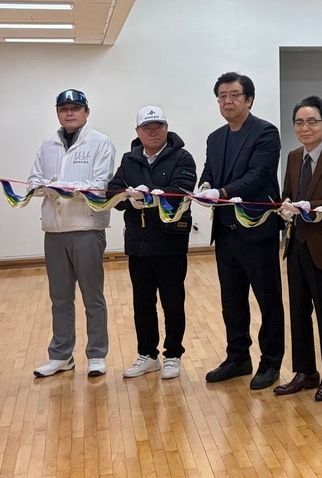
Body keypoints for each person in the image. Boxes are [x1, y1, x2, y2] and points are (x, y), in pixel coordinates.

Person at [196, 71, 284, 390]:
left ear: (249, 99)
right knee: (231, 300)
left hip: (257, 229)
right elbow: (209, 173)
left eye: (234, 95)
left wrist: (220, 193)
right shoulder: (215, 137)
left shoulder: (265, 133)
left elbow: (258, 176)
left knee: (267, 299)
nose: (227, 101)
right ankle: (238, 357)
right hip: (226, 231)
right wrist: (204, 186)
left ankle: (271, 361)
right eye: (222, 95)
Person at [27, 88, 117, 378]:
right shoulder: (47, 144)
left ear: (86, 112)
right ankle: (61, 355)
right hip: (54, 230)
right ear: (57, 112)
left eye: (75, 108)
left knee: (93, 296)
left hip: (87, 228)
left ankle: (96, 354)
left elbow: (100, 184)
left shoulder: (101, 143)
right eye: (64, 108)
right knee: (60, 297)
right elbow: (33, 180)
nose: (69, 113)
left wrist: (61, 188)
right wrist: (49, 186)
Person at [108, 105, 197, 381]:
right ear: (138, 132)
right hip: (138, 244)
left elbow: (182, 190)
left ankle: (172, 355)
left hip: (170, 243)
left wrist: (150, 196)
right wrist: (127, 197)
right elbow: (113, 191)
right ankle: (147, 355)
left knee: (172, 301)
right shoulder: (129, 159)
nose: (153, 131)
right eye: (147, 127)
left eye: (158, 126)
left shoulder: (182, 157)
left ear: (166, 128)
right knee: (142, 302)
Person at [275, 96, 322, 402]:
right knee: (298, 310)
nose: (305, 128)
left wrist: (311, 206)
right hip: (296, 243)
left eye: (312, 122)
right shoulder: (294, 156)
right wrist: (285, 207)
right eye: (299, 122)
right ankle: (305, 371)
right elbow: (287, 194)